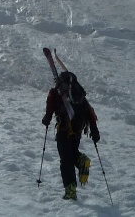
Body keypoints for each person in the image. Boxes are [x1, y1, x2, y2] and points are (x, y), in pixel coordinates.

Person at [41, 70, 100, 201]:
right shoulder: (79, 95)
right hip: (77, 131)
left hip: (64, 130)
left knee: (65, 160)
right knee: (72, 153)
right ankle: (81, 160)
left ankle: (70, 189)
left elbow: (50, 109)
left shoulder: (55, 93)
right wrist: (94, 131)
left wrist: (47, 119)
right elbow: (90, 113)